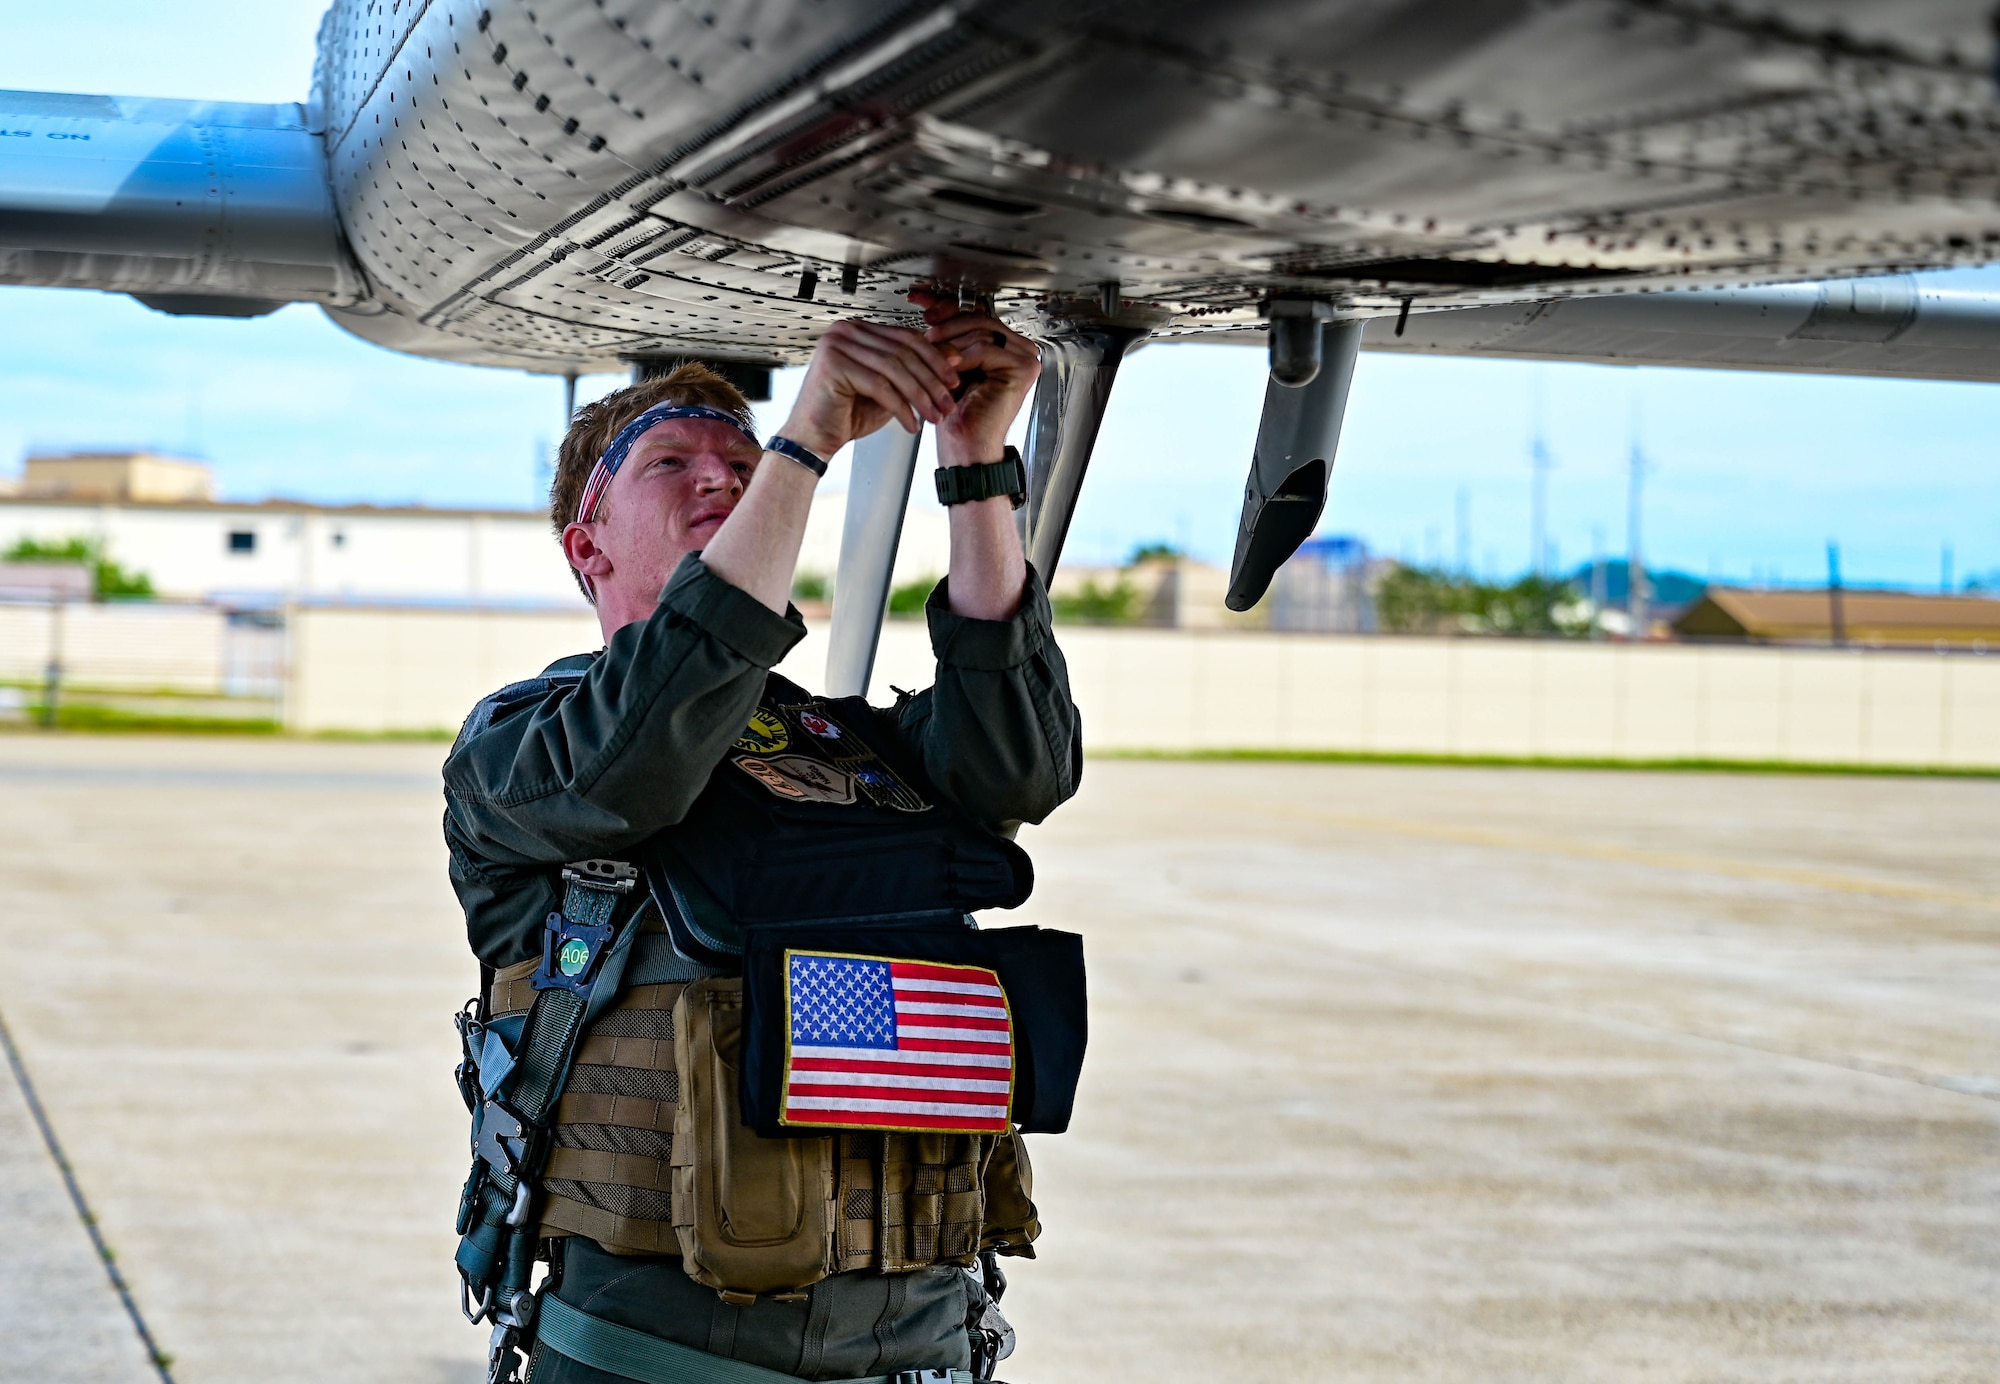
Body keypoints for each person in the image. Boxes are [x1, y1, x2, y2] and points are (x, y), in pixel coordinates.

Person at [443, 292, 1082, 1384]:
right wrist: (802, 440)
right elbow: (642, 746)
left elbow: (1018, 762)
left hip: (924, 1347)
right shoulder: (520, 749)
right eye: (669, 462)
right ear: (583, 543)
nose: (721, 475)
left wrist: (977, 465)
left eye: (742, 463)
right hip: (650, 1357)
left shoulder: (855, 748)